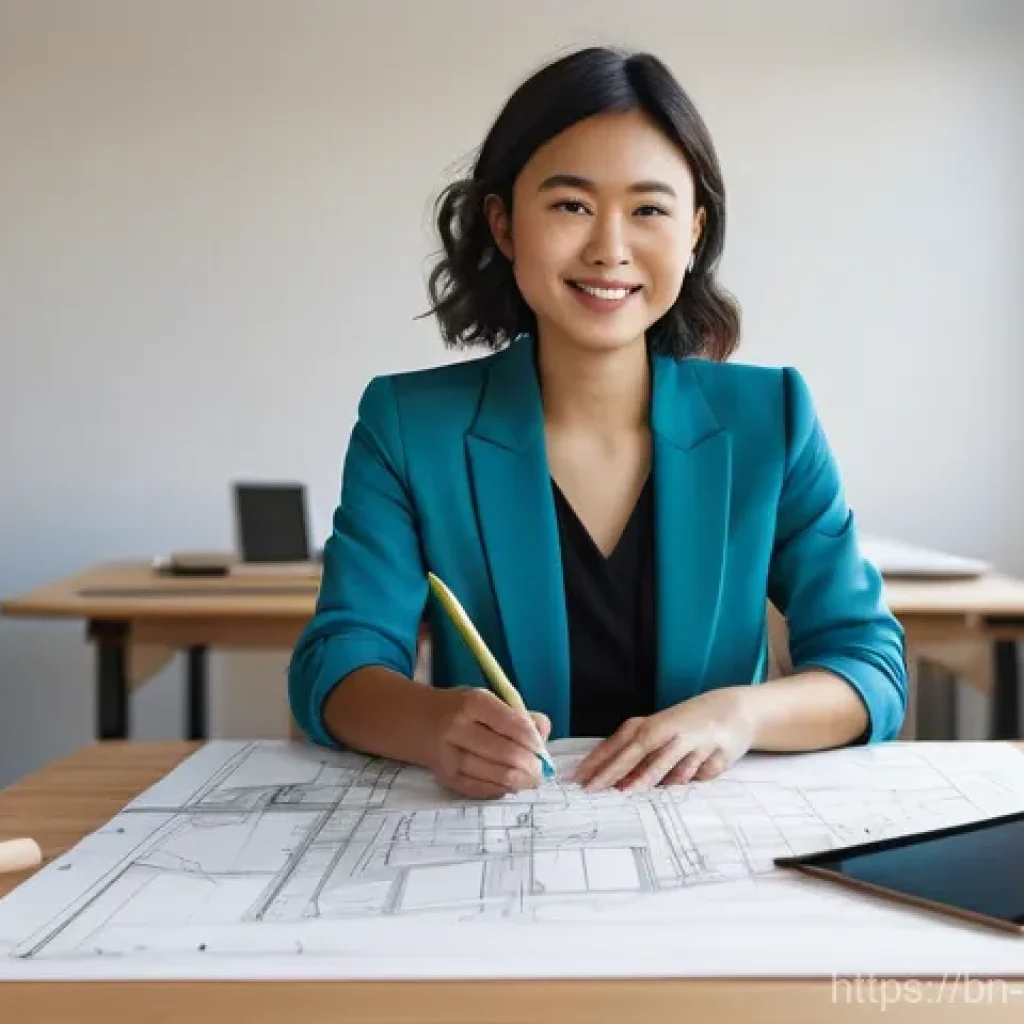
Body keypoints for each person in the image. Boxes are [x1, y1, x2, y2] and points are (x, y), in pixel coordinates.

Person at [288, 46, 907, 799]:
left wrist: (738, 715)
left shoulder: (771, 417)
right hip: (491, 850)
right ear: (505, 224)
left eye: (648, 209)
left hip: (716, 857)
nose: (610, 249)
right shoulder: (408, 426)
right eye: (571, 205)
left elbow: (868, 663)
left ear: (694, 232)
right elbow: (337, 662)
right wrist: (433, 725)